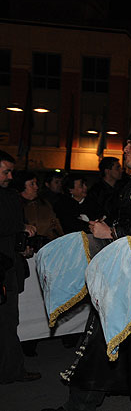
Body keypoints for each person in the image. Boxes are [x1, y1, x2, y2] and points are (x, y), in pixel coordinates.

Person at [41, 124, 131, 411]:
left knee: (109, 338)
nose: (125, 150)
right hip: (120, 270)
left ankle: (83, 402)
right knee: (114, 338)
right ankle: (86, 400)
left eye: (130, 145)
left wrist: (112, 232)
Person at [0, 150, 40, 384]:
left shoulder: (10, 195)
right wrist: (21, 227)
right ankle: (11, 371)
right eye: (5, 171)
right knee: (6, 323)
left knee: (8, 321)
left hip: (8, 267)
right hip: (3, 271)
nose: (10, 176)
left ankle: (11, 368)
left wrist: (22, 245)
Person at [11, 170, 63, 242]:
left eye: (36, 183)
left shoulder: (44, 203)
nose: (36, 187)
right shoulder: (15, 205)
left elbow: (56, 226)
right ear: (22, 186)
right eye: (32, 184)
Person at [87, 157, 123, 222]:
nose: (121, 170)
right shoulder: (96, 191)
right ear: (107, 171)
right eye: (117, 168)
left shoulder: (122, 188)